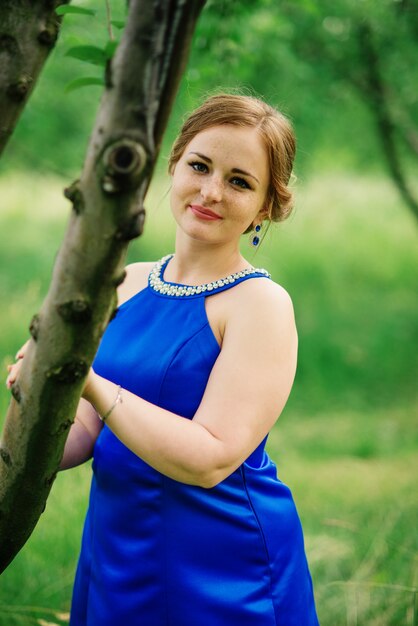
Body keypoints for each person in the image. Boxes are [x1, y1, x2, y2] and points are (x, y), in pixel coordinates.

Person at [7, 93, 319, 625]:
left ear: (265, 206)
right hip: (118, 549)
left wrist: (89, 382)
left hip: (223, 563)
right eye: (200, 166)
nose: (211, 191)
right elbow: (81, 431)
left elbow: (211, 457)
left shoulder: (259, 305)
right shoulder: (121, 283)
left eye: (240, 181)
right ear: (174, 165)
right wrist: (35, 390)